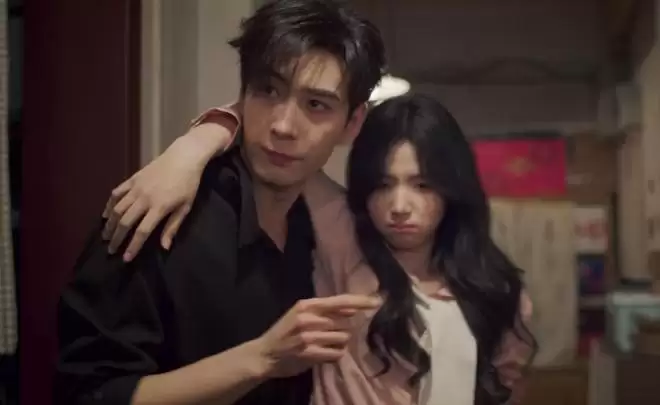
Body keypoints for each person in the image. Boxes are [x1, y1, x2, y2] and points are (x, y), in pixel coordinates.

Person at [102, 94, 537, 404]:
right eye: (383, 185)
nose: (400, 206)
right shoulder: (345, 238)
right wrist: (186, 153)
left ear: (452, 188)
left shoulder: (498, 292)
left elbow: (507, 388)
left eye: (422, 185)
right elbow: (268, 133)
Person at [55, 1, 386, 404]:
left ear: (352, 123)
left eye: (316, 105)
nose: (283, 126)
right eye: (268, 90)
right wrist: (261, 358)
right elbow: (91, 395)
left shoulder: (318, 230)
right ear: (243, 95)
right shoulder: (161, 213)